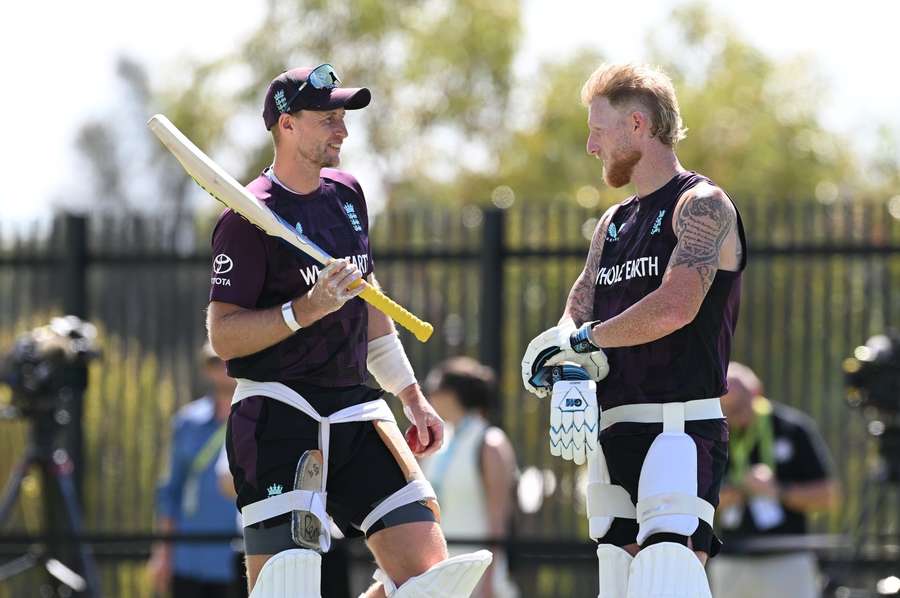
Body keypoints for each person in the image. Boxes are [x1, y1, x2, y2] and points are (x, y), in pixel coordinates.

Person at [206, 64, 491, 598]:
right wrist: (303, 311)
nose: (342, 131)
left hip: (355, 408)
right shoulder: (247, 218)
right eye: (328, 118)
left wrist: (411, 396)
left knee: (434, 582)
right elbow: (223, 336)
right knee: (285, 588)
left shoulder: (347, 194)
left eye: (343, 118)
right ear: (287, 125)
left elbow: (368, 302)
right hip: (276, 413)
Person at [521, 63, 747, 598]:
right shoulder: (613, 221)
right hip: (611, 428)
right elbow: (580, 302)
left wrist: (585, 340)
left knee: (667, 578)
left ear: (638, 126)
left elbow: (676, 306)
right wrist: (563, 357)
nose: (590, 146)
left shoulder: (702, 204)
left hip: (679, 429)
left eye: (598, 130)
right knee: (617, 582)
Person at [709, 362, 839, 598]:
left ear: (757, 393)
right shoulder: (714, 434)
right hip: (730, 559)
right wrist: (737, 491)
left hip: (787, 558)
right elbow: (699, 500)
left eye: (740, 407)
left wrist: (778, 491)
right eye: (726, 408)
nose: (734, 417)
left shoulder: (793, 428)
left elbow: (829, 497)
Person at [148, 343, 241, 598]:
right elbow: (170, 491)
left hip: (240, 560)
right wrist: (162, 553)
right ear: (206, 369)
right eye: (215, 362)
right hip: (189, 560)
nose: (223, 368)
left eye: (229, 360)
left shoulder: (260, 420)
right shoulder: (186, 422)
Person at [421, 357, 519, 598]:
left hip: (478, 574)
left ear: (453, 394)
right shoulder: (442, 443)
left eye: (436, 388)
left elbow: (499, 516)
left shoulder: (490, 442)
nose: (429, 396)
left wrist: (489, 581)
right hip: (442, 573)